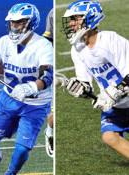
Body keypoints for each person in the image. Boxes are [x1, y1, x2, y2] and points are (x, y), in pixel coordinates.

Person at [0, 3, 53, 175]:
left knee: (21, 150)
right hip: (7, 100)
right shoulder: (4, 42)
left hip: (35, 105)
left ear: (31, 23)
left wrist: (30, 88)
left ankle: (11, 172)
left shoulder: (43, 46)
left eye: (19, 22)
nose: (14, 27)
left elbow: (47, 77)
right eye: (12, 23)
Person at [62, 0, 129, 159]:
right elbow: (86, 83)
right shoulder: (77, 49)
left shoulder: (110, 40)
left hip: (121, 96)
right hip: (115, 104)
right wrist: (79, 89)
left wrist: (117, 91)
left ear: (90, 18)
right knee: (109, 137)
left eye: (75, 19)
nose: (71, 24)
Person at [42, 8, 54, 158]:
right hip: (59, 67)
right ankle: (50, 132)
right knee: (54, 116)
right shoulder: (53, 12)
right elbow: (48, 38)